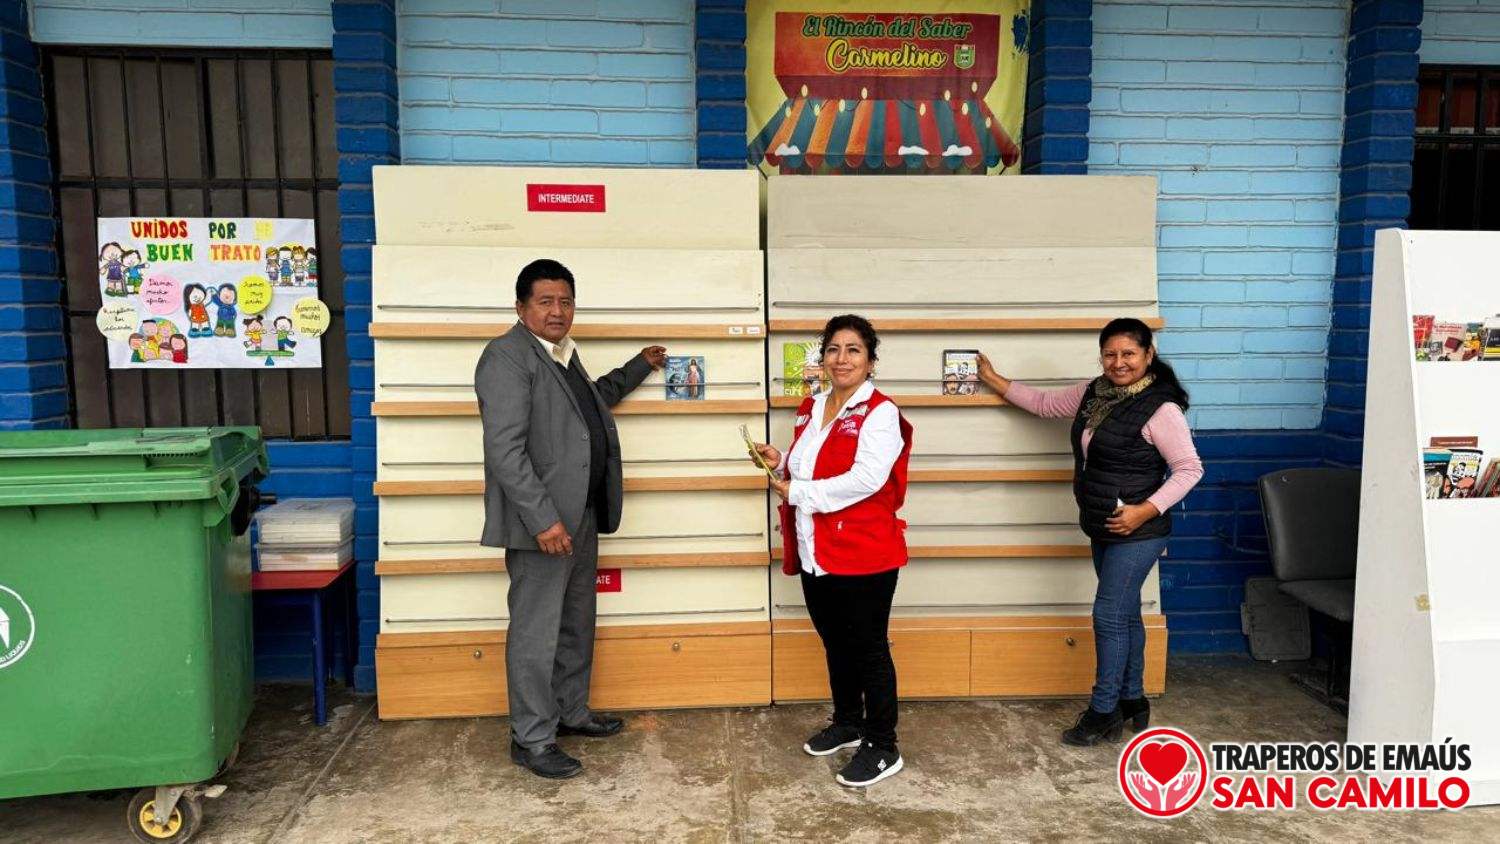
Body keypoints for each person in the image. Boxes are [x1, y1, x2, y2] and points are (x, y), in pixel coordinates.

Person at [476, 258, 667, 780]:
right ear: (521, 307)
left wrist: (638, 366)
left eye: (565, 301)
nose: (557, 311)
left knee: (575, 620)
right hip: (542, 525)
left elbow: (591, 403)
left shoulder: (562, 355)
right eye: (545, 301)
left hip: (580, 514)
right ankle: (532, 738)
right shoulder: (506, 357)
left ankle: (569, 712)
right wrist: (543, 520)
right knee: (536, 632)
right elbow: (505, 450)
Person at [977, 317, 1203, 747]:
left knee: (1108, 615)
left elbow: (1190, 469)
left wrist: (1144, 511)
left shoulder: (1162, 409)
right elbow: (1044, 404)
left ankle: (1103, 711)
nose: (1119, 363)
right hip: (1104, 524)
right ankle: (1133, 698)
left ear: (1149, 355)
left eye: (1129, 354)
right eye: (1110, 354)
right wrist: (992, 378)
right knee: (1126, 613)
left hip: (1140, 530)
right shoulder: (1094, 392)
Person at [750, 314, 913, 788]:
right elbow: (811, 464)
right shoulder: (813, 405)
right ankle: (848, 722)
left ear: (870, 361)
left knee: (869, 648)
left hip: (865, 552)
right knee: (835, 641)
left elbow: (867, 479)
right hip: (817, 550)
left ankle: (883, 745)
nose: (842, 359)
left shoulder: (881, 413)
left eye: (853, 350)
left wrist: (797, 491)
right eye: (833, 349)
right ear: (823, 358)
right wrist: (781, 460)